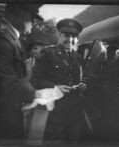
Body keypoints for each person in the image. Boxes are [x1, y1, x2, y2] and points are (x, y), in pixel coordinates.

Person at [0, 3, 44, 139]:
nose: (35, 22)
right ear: (18, 11)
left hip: (7, 113)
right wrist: (39, 94)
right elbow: (6, 78)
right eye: (32, 16)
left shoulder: (9, 35)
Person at [31, 18, 86, 146]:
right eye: (67, 35)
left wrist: (82, 85)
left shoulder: (78, 57)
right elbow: (35, 80)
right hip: (55, 111)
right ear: (59, 35)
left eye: (74, 36)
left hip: (75, 110)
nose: (70, 39)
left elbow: (77, 79)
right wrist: (55, 87)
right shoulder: (47, 53)